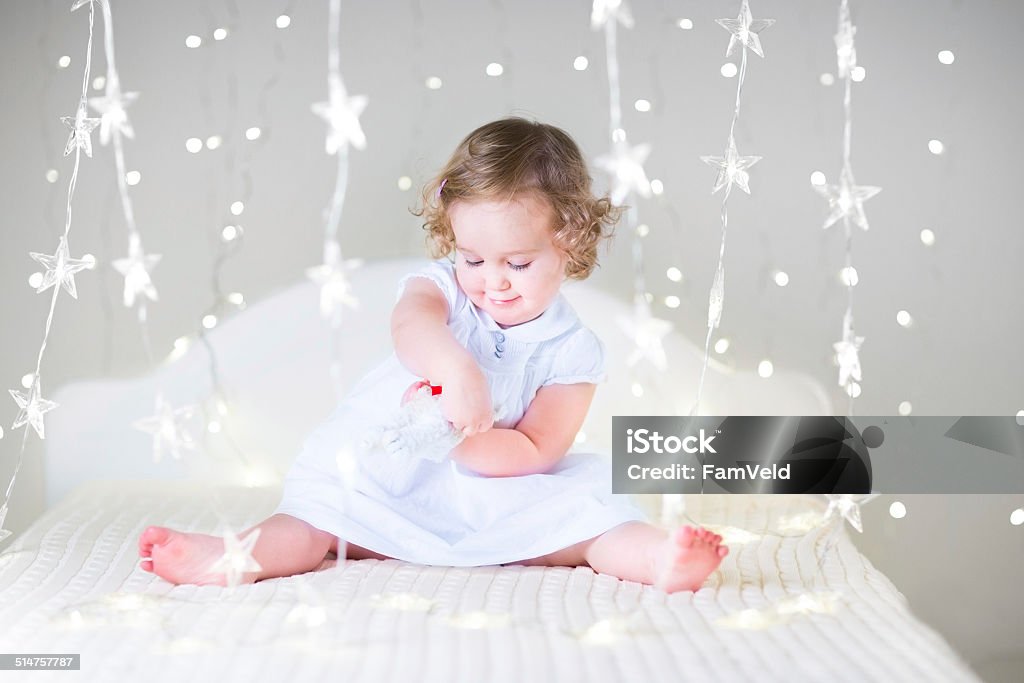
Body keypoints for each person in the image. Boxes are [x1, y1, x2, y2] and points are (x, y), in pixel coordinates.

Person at [139, 117, 727, 592]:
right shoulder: (440, 290)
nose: (491, 282)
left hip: (497, 487)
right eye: (473, 258)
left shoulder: (574, 351)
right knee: (314, 518)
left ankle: (660, 558)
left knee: (591, 520)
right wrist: (454, 366)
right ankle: (231, 556)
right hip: (390, 478)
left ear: (568, 239)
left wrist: (463, 435)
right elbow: (411, 325)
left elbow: (537, 448)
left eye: (517, 264)